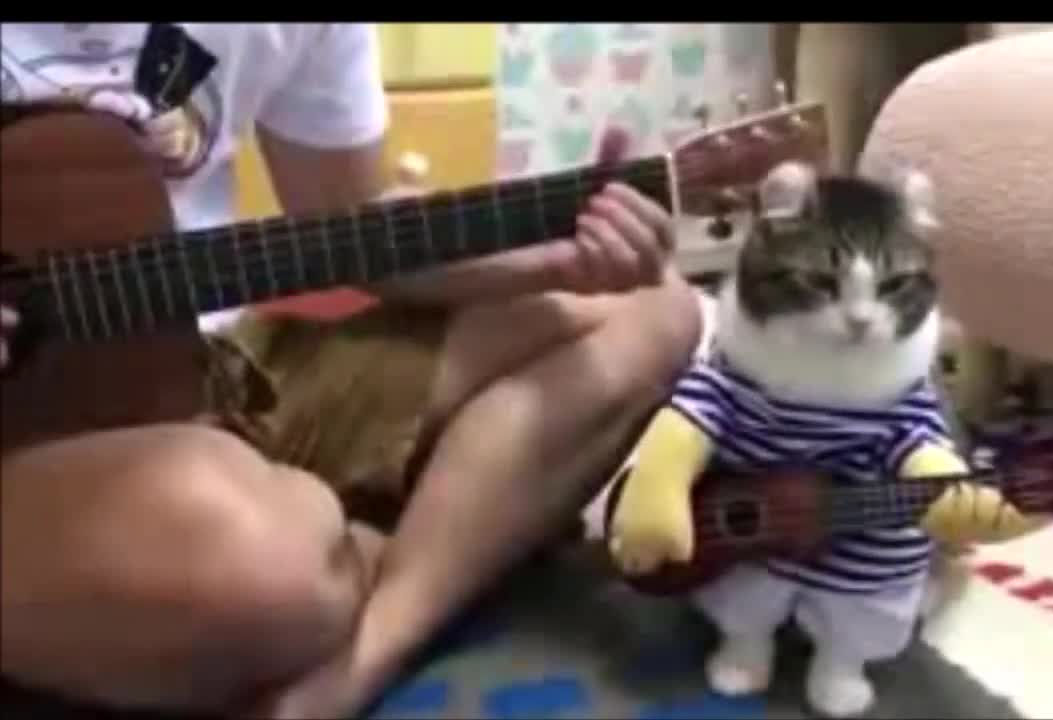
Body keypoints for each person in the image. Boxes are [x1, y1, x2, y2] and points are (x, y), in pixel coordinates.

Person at [0, 23, 700, 717]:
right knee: (267, 571)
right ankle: (425, 533)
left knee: (649, 310)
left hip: (205, 364)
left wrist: (546, 261)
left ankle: (365, 650)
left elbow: (355, 224)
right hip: (28, 441)